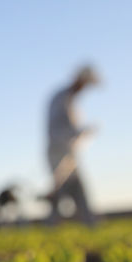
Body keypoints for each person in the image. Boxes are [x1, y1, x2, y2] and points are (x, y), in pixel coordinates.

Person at [44, 65, 100, 226]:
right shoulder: (61, 98)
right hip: (58, 152)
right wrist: (81, 132)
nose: (85, 88)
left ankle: (90, 223)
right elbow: (58, 129)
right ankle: (52, 226)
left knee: (78, 188)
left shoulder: (70, 99)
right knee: (61, 190)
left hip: (69, 152)